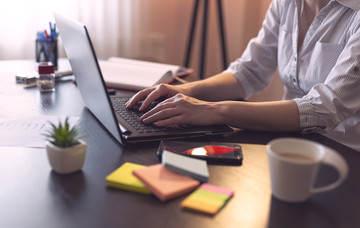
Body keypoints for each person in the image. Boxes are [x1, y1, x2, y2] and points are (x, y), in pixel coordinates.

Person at [126, 0, 360, 152]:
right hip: (288, 144)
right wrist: (185, 91)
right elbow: (249, 72)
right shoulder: (285, 3)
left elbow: (325, 109)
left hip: (344, 155)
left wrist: (212, 110)